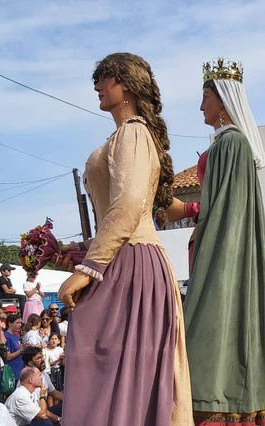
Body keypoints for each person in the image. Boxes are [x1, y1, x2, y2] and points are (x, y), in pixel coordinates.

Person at [56, 52, 192, 425]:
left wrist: (90, 267)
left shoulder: (133, 132)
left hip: (130, 264)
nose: (98, 86)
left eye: (106, 78)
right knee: (105, 369)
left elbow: (130, 204)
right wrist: (79, 252)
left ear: (127, 84)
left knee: (111, 369)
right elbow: (118, 214)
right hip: (123, 259)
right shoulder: (125, 135)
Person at [164, 57, 265, 424]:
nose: (200, 105)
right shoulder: (230, 144)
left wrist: (183, 209)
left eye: (205, 97)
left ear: (221, 99)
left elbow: (219, 208)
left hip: (221, 249)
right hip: (219, 242)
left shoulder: (229, 145)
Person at [4, 314, 24, 383]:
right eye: (17, 323)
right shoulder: (6, 336)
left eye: (21, 323)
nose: (20, 325)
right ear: (10, 324)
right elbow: (8, 356)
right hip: (13, 371)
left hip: (20, 370)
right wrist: (21, 350)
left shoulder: (16, 335)